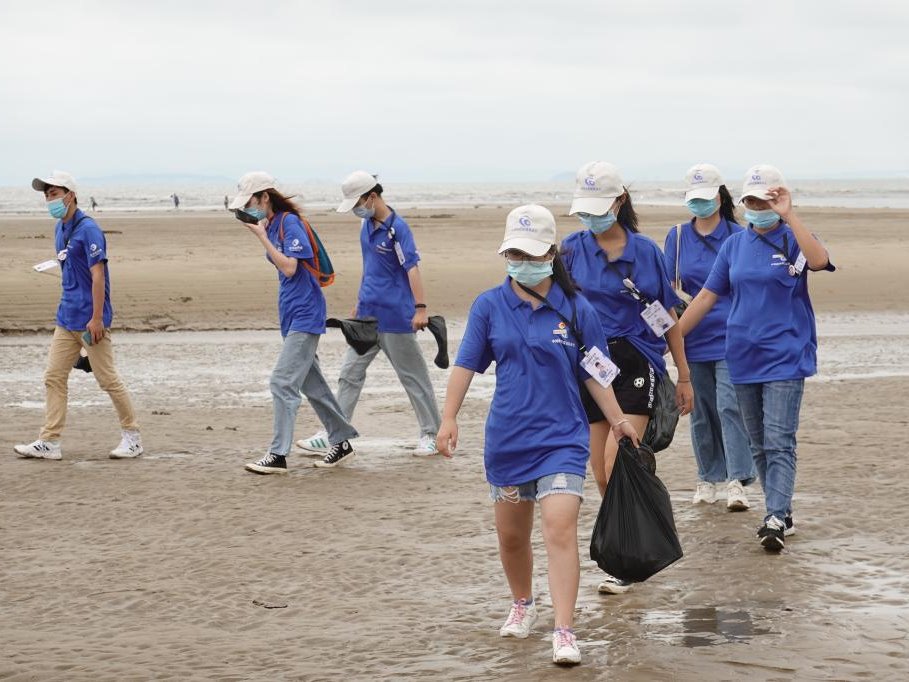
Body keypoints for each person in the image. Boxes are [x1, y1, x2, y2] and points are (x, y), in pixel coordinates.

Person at [436, 204, 638, 666]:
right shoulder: (489, 306)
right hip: (509, 439)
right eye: (513, 252)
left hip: (562, 440)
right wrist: (448, 418)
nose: (521, 260)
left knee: (560, 528)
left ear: (551, 253)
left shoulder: (576, 307)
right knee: (511, 538)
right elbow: (466, 364)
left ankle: (564, 631)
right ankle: (523, 603)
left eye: (530, 253)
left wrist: (618, 417)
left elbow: (596, 372)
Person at [679, 165, 835, 551]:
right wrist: (672, 340)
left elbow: (818, 261)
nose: (757, 206)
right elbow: (705, 297)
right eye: (750, 199)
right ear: (742, 202)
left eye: (764, 199)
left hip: (786, 353)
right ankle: (780, 511)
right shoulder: (734, 246)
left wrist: (789, 214)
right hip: (742, 356)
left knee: (780, 438)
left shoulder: (793, 237)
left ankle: (775, 516)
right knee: (760, 442)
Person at [561, 161, 694, 594]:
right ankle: (627, 545)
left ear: (619, 202)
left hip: (636, 360)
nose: (591, 217)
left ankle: (628, 560)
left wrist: (683, 375)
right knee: (600, 473)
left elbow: (666, 318)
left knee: (617, 460)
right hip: (592, 365)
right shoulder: (571, 249)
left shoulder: (645, 252)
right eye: (585, 209)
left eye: (599, 207)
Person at [297, 171, 441, 458]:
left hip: (396, 318)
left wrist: (420, 308)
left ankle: (431, 434)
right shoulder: (366, 226)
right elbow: (371, 269)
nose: (355, 210)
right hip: (366, 317)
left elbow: (412, 267)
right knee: (349, 375)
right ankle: (334, 433)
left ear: (371, 197)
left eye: (357, 203)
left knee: (413, 378)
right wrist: (358, 303)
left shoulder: (397, 229)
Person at [228, 172, 359, 473]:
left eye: (250, 202)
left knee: (282, 382)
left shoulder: (289, 223)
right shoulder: (272, 224)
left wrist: (260, 236)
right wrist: (263, 231)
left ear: (265, 197)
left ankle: (278, 455)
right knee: (313, 386)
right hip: (291, 315)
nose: (249, 209)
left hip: (306, 314)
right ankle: (342, 443)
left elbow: (290, 268)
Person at [15, 170, 142, 460]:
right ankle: (50, 442)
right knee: (53, 377)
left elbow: (99, 277)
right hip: (66, 317)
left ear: (70, 196)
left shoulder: (89, 229)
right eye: (47, 195)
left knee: (107, 379)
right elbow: (68, 270)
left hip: (91, 319)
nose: (50, 200)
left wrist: (97, 319)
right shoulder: (60, 229)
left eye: (54, 194)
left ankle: (132, 437)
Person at [664, 164, 754, 511]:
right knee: (700, 410)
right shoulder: (677, 236)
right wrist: (664, 335)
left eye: (705, 198)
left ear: (719, 196)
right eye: (694, 200)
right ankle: (708, 477)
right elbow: (666, 290)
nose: (699, 205)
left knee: (730, 406)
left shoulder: (737, 234)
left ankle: (737, 480)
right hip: (690, 336)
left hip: (732, 336)